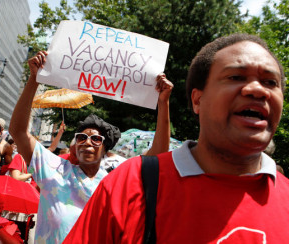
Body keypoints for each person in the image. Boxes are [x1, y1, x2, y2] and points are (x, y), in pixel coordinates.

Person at [64, 33, 289, 243]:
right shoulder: (130, 185)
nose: (258, 90)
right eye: (236, 77)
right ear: (198, 100)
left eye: (271, 82)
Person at [9, 51, 173, 243]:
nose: (87, 142)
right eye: (81, 138)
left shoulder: (116, 177)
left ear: (105, 149)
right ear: (74, 146)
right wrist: (34, 80)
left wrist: (164, 103)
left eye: (96, 140)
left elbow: (157, 158)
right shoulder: (54, 170)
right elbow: (18, 131)